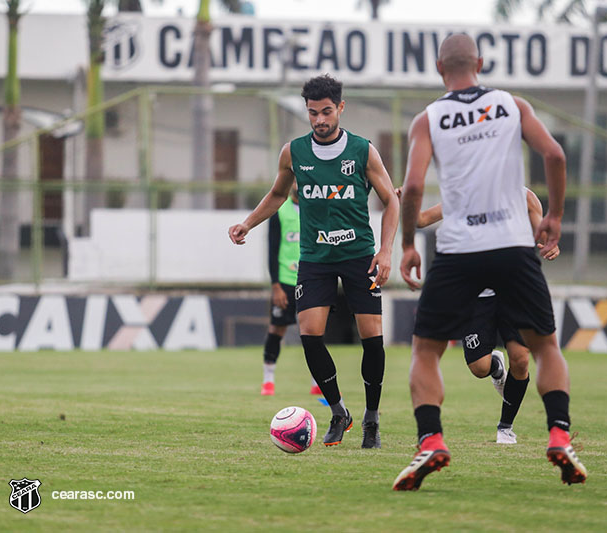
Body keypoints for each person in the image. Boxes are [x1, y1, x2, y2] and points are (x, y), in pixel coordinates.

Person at [392, 34, 586, 490]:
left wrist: (407, 244)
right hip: (513, 247)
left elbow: (414, 188)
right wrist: (554, 216)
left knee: (426, 351)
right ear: (479, 62)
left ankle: (431, 440)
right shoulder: (511, 105)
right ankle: (559, 433)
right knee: (545, 348)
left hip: (460, 250)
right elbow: (554, 154)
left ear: (440, 69)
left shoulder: (428, 119)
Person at [229, 74, 399, 449]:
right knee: (308, 335)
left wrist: (385, 251)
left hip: (358, 256)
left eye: (326, 112)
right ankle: (339, 412)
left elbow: (393, 200)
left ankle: (372, 419)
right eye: (312, 113)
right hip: (315, 258)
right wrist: (247, 223)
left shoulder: (362, 150)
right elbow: (276, 195)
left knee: (372, 339)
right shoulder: (294, 152)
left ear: (340, 108)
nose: (320, 120)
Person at [403, 187, 559, 444]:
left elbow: (541, 237)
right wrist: (403, 200)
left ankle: (505, 427)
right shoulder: (464, 195)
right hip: (476, 297)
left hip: (513, 293)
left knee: (521, 360)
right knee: (479, 368)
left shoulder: (525, 198)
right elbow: (421, 219)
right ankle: (496, 369)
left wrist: (550, 246)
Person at [260, 183, 323, 397]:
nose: (298, 184)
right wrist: (275, 285)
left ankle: (318, 382)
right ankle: (268, 380)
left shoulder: (316, 208)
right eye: (294, 180)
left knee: (314, 331)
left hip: (310, 278)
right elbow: (272, 249)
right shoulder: (279, 211)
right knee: (277, 329)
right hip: (285, 281)